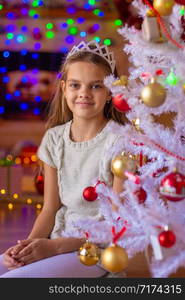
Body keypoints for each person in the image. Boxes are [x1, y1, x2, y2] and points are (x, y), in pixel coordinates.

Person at [0, 40, 127, 278]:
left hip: (96, 251)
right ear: (64, 88)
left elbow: (115, 224)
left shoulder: (119, 142)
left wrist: (54, 247)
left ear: (110, 92)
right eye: (75, 85)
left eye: (96, 86)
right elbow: (50, 208)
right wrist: (26, 248)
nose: (84, 94)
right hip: (55, 243)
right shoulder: (54, 139)